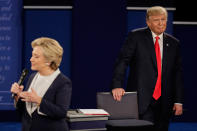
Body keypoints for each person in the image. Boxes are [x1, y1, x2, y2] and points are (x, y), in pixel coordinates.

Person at [111, 6, 184, 131]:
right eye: (156, 20)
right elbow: (122, 61)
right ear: (148, 22)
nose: (161, 23)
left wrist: (178, 101)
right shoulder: (136, 37)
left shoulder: (174, 43)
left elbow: (177, 74)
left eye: (163, 19)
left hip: (165, 101)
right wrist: (117, 85)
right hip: (142, 99)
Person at [10, 37, 72, 131]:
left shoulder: (63, 82)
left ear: (49, 61)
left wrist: (39, 100)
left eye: (36, 56)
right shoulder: (32, 77)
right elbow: (26, 112)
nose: (31, 59)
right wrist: (18, 96)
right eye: (32, 55)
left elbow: (61, 112)